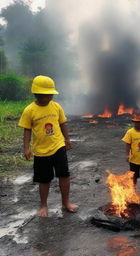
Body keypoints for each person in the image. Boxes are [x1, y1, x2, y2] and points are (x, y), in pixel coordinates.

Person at [18, 75, 78, 217]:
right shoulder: (29, 110)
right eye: (46, 95)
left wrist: (67, 139)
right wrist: (26, 148)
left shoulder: (56, 107)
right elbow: (26, 130)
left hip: (58, 146)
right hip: (41, 152)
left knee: (64, 175)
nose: (49, 97)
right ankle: (43, 205)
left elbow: (62, 123)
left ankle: (66, 202)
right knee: (44, 180)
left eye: (50, 95)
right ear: (37, 94)